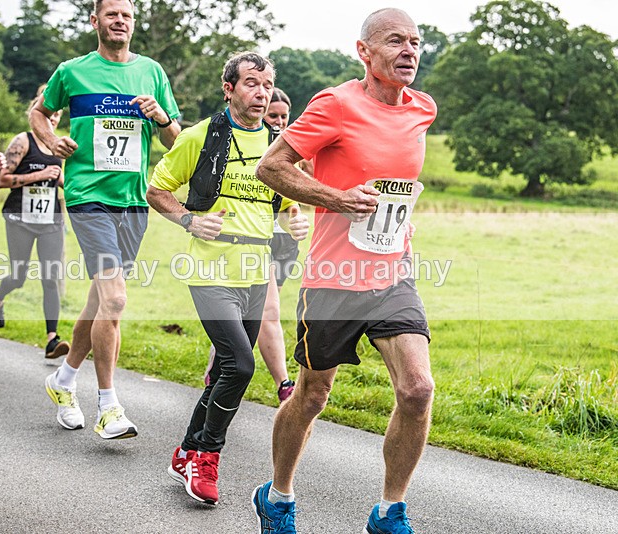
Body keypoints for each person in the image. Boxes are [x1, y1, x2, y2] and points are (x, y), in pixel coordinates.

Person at [251, 9, 436, 534]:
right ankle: (278, 495)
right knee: (312, 394)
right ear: (365, 52)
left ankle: (389, 511)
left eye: (415, 42)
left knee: (418, 389)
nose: (409, 51)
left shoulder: (422, 109)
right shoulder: (335, 104)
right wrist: (338, 198)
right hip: (332, 276)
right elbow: (272, 166)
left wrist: (400, 229)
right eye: (395, 41)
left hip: (392, 275)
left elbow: (397, 187)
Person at [147, 52, 309, 506]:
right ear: (229, 89)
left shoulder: (281, 146)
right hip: (210, 270)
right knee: (240, 364)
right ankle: (206, 457)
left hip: (256, 274)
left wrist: (294, 222)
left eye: (267, 84)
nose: (261, 93)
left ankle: (185, 449)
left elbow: (284, 204)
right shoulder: (200, 136)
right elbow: (156, 190)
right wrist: (188, 222)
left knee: (223, 367)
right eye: (251, 83)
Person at [33, 0, 181, 437]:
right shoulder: (72, 71)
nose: (120, 21)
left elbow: (175, 142)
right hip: (87, 197)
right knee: (115, 300)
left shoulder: (151, 72)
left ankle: (62, 381)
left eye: (127, 15)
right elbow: (39, 111)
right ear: (95, 20)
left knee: (100, 300)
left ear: (133, 24)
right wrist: (50, 140)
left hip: (132, 200)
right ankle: (109, 406)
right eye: (112, 13)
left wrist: (161, 117)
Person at [202, 88, 301, 404]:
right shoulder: (244, 146)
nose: (280, 122)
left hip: (283, 243)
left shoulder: (291, 150)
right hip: (250, 243)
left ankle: (216, 369)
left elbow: (293, 203)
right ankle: (284, 384)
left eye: (284, 116)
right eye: (274, 116)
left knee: (247, 318)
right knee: (268, 312)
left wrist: (296, 219)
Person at [0, 87, 70, 359]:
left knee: (50, 277)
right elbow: (3, 181)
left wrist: (60, 181)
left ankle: (52, 339)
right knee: (19, 275)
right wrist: (40, 175)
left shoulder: (60, 145)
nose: (54, 117)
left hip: (50, 219)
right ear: (36, 109)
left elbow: (65, 183)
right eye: (49, 111)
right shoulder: (22, 142)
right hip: (20, 217)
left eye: (58, 113)